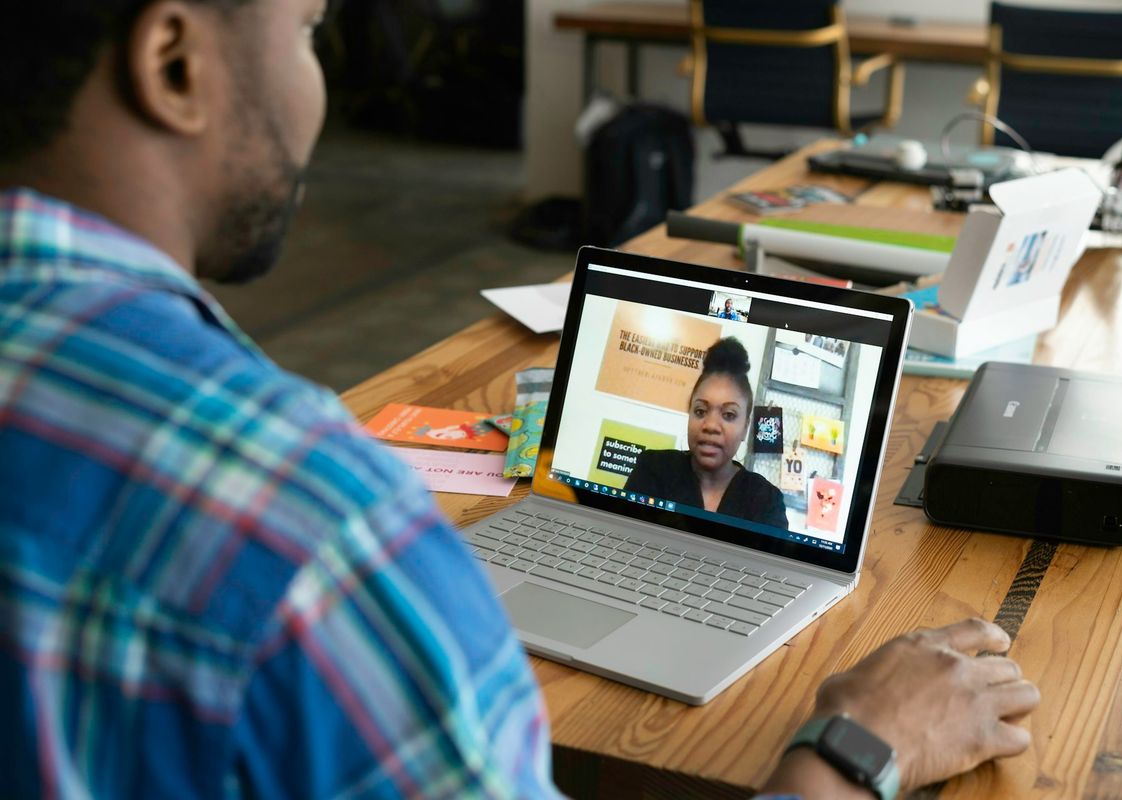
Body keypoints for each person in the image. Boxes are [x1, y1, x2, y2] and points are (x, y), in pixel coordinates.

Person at [0, 1, 1038, 797]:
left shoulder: (763, 499)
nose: (318, 86)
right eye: (310, 29)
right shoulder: (306, 526)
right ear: (175, 63)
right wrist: (857, 748)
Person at [626, 338, 789, 529]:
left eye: (729, 415)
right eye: (700, 411)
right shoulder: (653, 470)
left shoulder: (767, 502)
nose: (711, 425)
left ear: (745, 428)